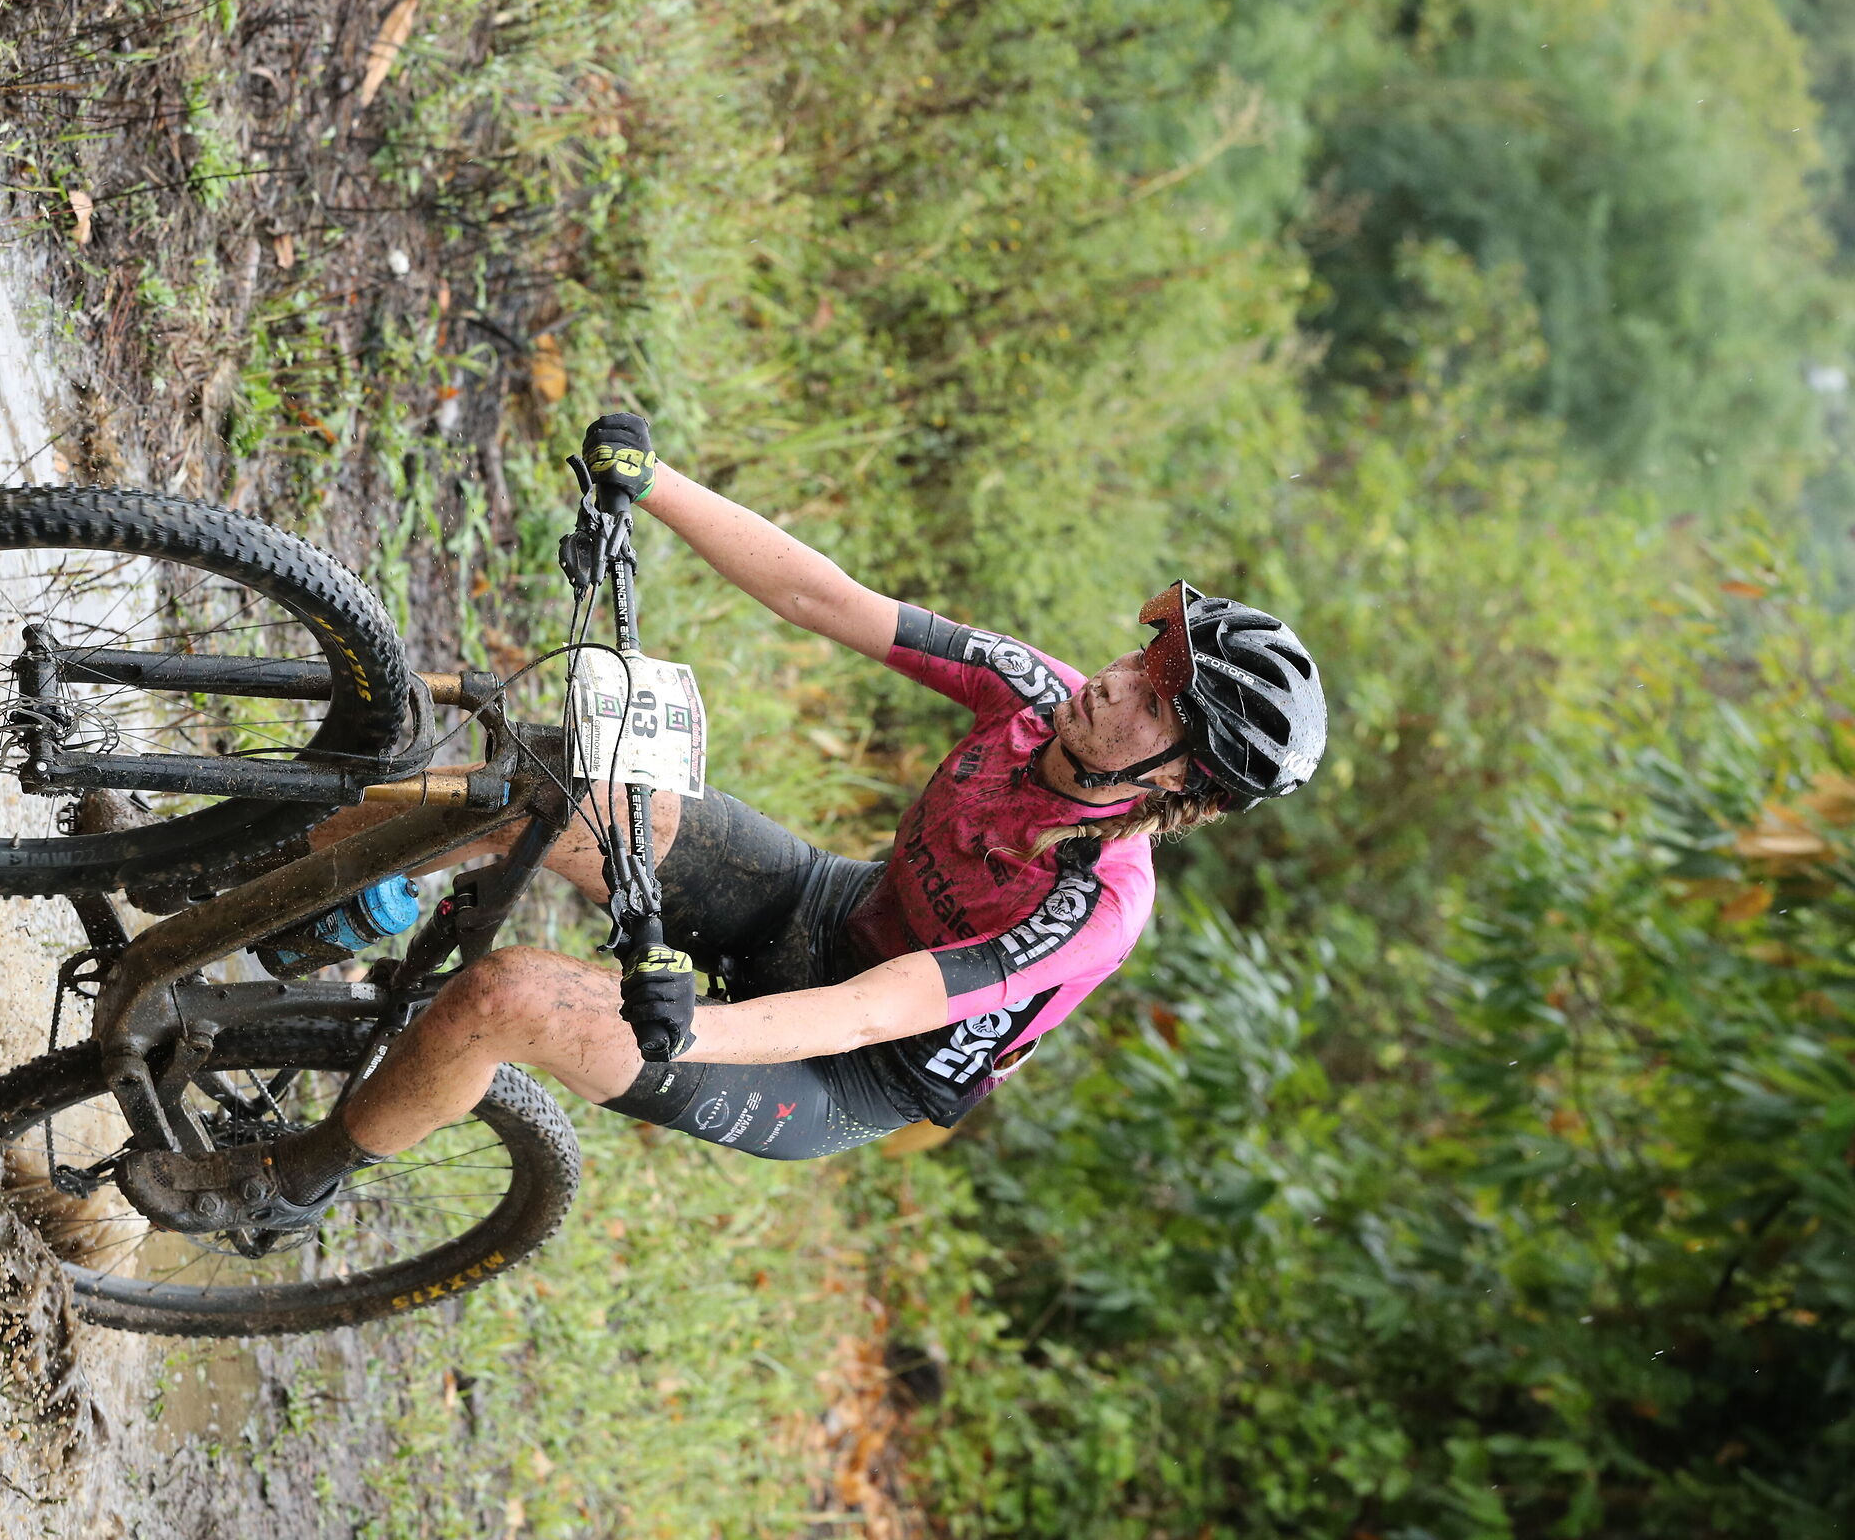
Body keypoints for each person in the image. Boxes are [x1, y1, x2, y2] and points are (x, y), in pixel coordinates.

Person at [253, 413, 1327, 1218]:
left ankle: (289, 1181)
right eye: (1144, 658)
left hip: (849, 1066)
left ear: (1183, 785)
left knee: (506, 995)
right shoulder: (1038, 696)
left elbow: (871, 1012)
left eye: (1156, 701)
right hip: (824, 906)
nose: (1116, 682)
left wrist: (692, 1024)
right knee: (552, 782)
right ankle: (272, 889)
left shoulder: (1092, 903)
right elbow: (829, 598)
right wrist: (654, 481)